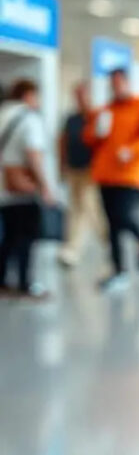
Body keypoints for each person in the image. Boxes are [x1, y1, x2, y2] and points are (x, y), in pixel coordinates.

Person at [84, 68, 139, 292]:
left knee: (122, 216)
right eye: (113, 83)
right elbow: (89, 138)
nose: (115, 87)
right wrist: (96, 132)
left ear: (127, 83)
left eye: (119, 83)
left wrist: (133, 150)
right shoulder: (106, 110)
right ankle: (118, 270)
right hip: (105, 173)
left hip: (131, 174)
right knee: (111, 224)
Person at [0, 78, 56, 299]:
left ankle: (2, 280)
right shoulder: (29, 118)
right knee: (26, 238)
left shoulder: (3, 114)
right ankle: (25, 283)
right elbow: (33, 155)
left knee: (9, 237)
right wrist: (45, 186)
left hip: (3, 187)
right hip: (22, 188)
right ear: (28, 95)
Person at [58, 82, 105, 267]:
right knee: (79, 209)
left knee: (87, 206)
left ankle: (102, 240)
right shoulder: (71, 119)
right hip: (74, 168)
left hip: (90, 170)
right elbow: (63, 141)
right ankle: (75, 247)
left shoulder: (97, 117)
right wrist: (62, 165)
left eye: (82, 95)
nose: (79, 99)